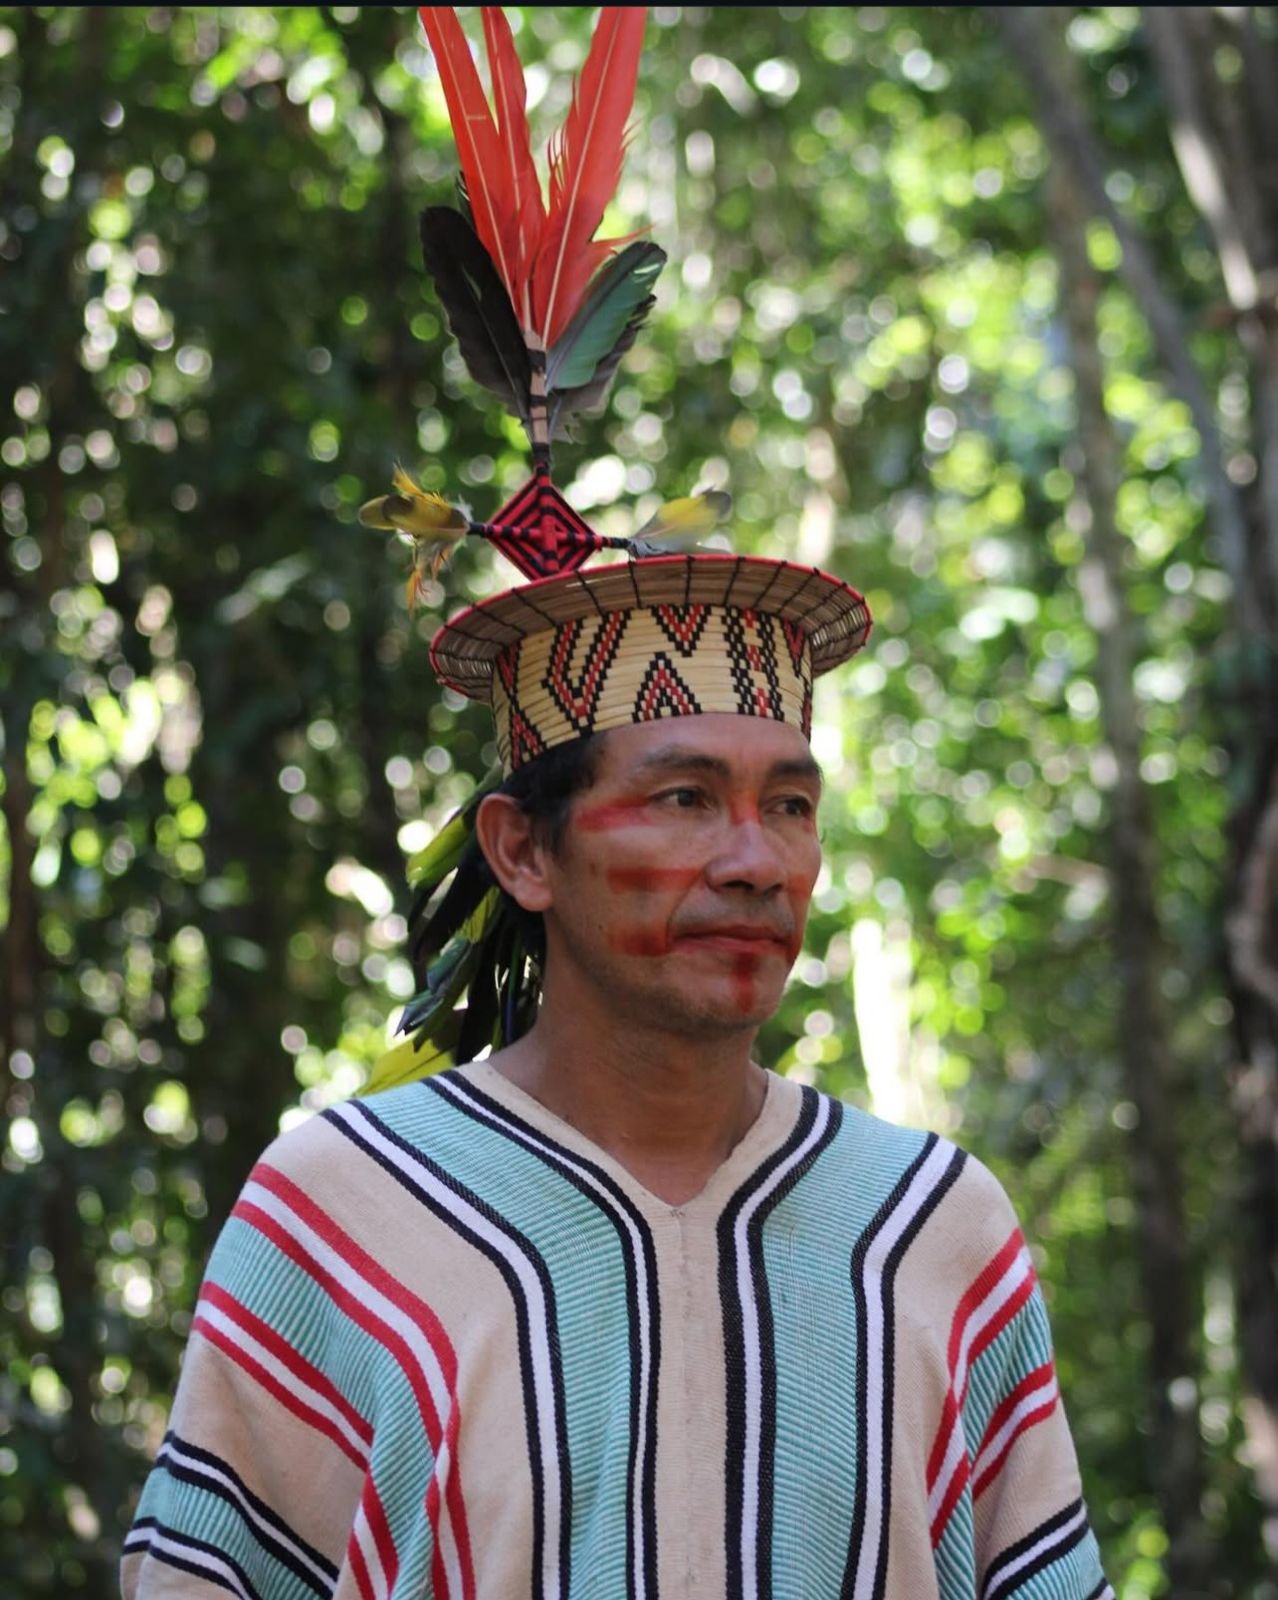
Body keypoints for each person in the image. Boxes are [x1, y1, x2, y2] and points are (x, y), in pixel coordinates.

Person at [122, 8, 1114, 1598]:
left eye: (789, 804)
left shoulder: (934, 1229)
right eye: (680, 796)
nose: (751, 857)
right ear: (522, 846)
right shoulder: (343, 1219)